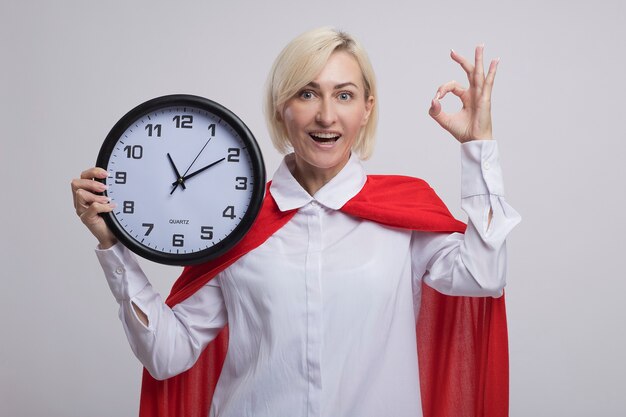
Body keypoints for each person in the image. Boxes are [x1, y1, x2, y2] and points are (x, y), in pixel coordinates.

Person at [71, 27, 520, 417]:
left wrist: (478, 145)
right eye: (307, 93)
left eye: (343, 95)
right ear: (281, 108)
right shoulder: (235, 223)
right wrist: (114, 249)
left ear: (366, 108)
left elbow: (483, 274)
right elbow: (166, 354)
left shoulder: (405, 212)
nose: (326, 115)